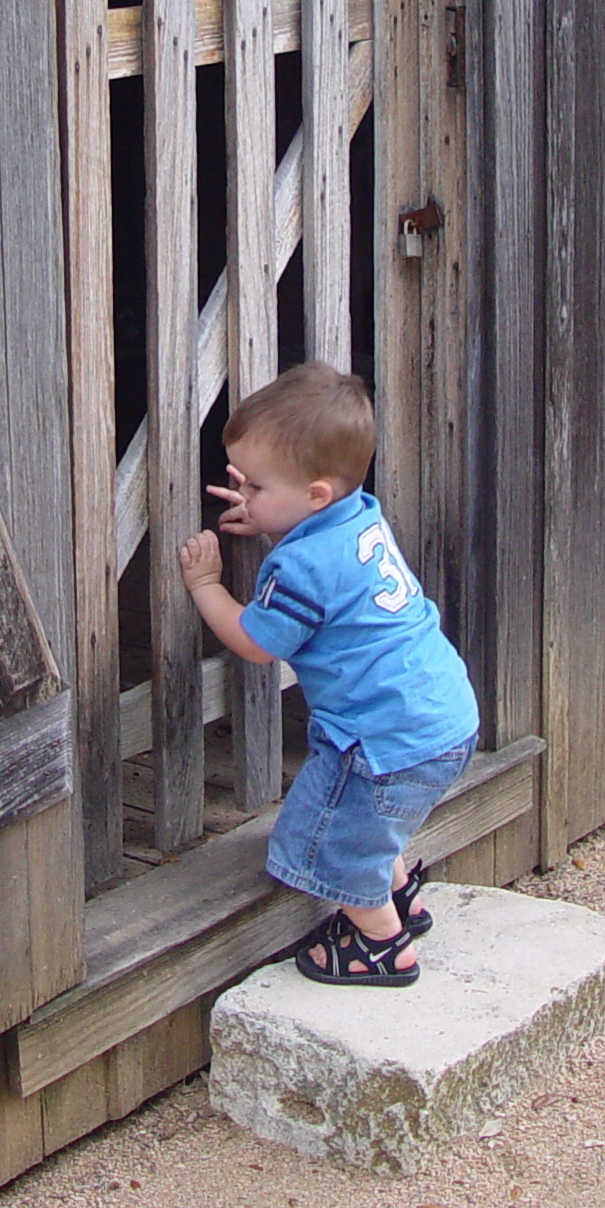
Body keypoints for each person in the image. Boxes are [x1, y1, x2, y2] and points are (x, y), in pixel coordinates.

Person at [177, 362, 479, 986]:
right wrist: (267, 514)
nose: (245, 496)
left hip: (384, 741)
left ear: (314, 494)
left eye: (255, 487)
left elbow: (257, 643)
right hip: (441, 716)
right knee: (373, 824)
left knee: (329, 840)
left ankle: (383, 948)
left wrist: (207, 585)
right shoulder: (360, 515)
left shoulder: (302, 568)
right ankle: (400, 900)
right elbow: (320, 553)